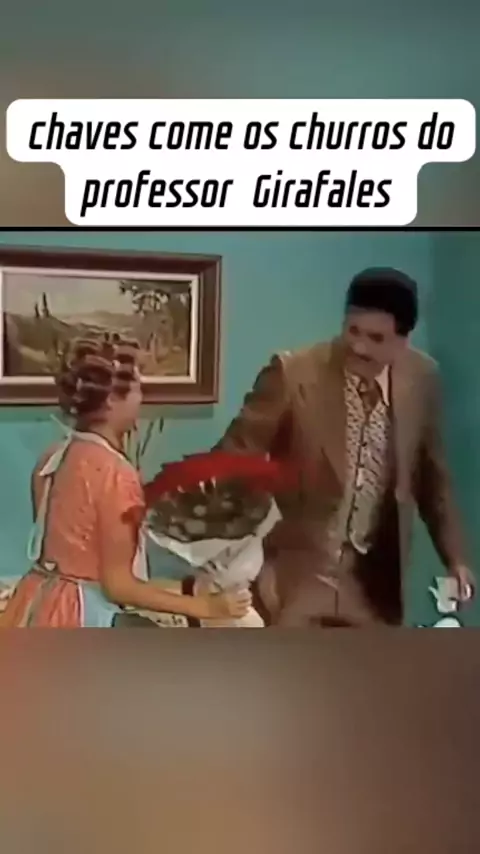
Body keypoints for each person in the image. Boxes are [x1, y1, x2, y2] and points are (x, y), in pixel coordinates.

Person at [216, 268, 475, 627]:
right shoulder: (293, 373)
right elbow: (232, 460)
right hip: (296, 576)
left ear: (403, 340)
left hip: (376, 586)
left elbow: (433, 480)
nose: (359, 347)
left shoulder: (423, 379)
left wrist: (455, 559)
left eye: (376, 338)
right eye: (352, 331)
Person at [1, 337, 251, 628]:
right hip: (81, 616)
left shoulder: (53, 458)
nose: (141, 401)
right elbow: (118, 586)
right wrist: (204, 607)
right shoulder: (116, 474)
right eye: (137, 390)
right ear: (111, 400)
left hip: (34, 603)